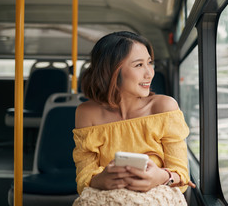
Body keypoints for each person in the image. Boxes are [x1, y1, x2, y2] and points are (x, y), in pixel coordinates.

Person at [72, 31, 194, 206]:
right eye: (139, 65)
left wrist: (161, 177)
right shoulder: (86, 113)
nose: (149, 73)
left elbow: (181, 173)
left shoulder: (164, 108)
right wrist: (100, 180)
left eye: (149, 63)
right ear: (111, 71)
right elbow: (84, 176)